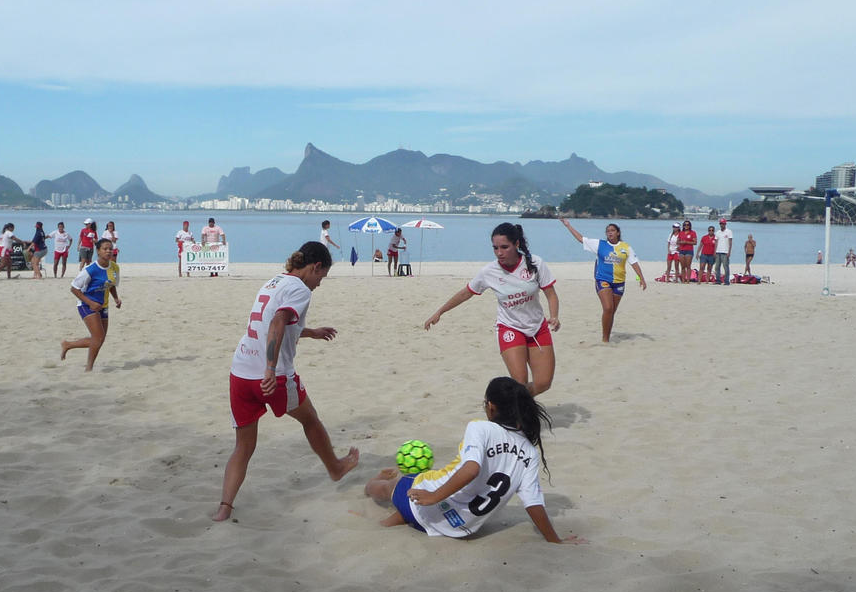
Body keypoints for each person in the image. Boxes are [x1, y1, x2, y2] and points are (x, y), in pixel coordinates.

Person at [213, 241, 359, 522]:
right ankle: (335, 468)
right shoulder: (301, 289)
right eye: (321, 277)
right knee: (311, 420)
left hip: (241, 371)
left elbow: (270, 322)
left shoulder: (274, 282)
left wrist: (311, 332)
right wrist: (269, 369)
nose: (319, 284)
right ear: (315, 267)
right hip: (272, 376)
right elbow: (278, 322)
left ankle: (224, 508)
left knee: (243, 446)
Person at [364, 377, 584, 543]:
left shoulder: (480, 427)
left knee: (385, 488)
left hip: (429, 499)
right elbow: (533, 503)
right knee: (407, 512)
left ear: (491, 407)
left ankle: (372, 483)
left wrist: (433, 496)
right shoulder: (529, 451)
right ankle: (397, 517)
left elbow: (471, 469)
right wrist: (555, 540)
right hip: (459, 528)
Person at [425, 222, 560, 396]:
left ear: (516, 244)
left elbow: (551, 294)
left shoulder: (535, 263)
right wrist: (440, 312)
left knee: (543, 383)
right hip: (510, 328)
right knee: (520, 383)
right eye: (495, 248)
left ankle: (513, 402)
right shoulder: (489, 271)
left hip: (537, 328)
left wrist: (554, 316)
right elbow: (466, 292)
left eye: (504, 247)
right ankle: (517, 414)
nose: (499, 253)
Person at [559, 218, 645, 343]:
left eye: (612, 230)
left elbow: (634, 263)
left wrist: (641, 278)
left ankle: (607, 336)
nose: (610, 233)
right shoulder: (599, 244)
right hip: (603, 280)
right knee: (608, 308)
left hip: (619, 282)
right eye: (607, 231)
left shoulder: (626, 247)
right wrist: (568, 225)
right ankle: (605, 340)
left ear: (618, 233)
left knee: (611, 312)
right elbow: (581, 239)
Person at [62, 238, 121, 371]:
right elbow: (74, 288)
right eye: (105, 249)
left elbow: (110, 285)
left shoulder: (115, 267)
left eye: (110, 249)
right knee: (98, 338)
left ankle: (68, 345)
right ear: (98, 251)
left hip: (103, 305)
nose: (108, 251)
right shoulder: (90, 269)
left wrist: (116, 299)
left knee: (99, 339)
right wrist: (91, 303)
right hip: (86, 304)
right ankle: (88, 369)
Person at [714, 218, 733, 286]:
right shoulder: (718, 232)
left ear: (725, 224)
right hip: (718, 251)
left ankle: (726, 281)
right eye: (721, 223)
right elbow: (716, 242)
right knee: (717, 267)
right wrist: (714, 251)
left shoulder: (729, 232)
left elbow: (730, 243)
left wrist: (729, 252)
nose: (722, 225)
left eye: (723, 223)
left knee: (726, 267)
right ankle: (718, 280)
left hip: (725, 252)